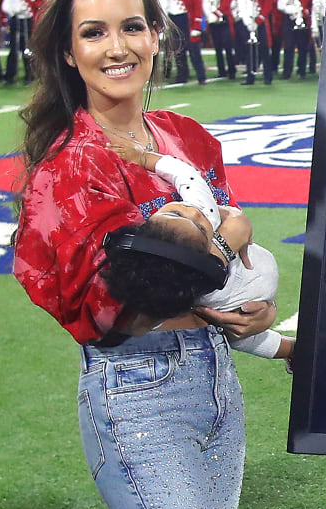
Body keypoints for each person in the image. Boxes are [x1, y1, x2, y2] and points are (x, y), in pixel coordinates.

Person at [12, 0, 276, 509]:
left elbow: (217, 264)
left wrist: (253, 311)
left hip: (216, 374)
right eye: (94, 33)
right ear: (68, 52)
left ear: (156, 35)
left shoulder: (188, 138)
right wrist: (221, 247)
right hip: (140, 387)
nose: (118, 48)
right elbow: (108, 313)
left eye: (132, 27)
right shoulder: (68, 168)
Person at [100, 138, 294, 361]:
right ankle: (291, 349)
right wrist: (145, 158)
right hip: (250, 294)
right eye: (202, 230)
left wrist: (145, 157)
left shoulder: (201, 227)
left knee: (239, 335)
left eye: (175, 213)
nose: (193, 211)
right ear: (207, 255)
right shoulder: (207, 219)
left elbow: (187, 177)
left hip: (250, 296)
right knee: (236, 330)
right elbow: (186, 175)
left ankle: (289, 349)